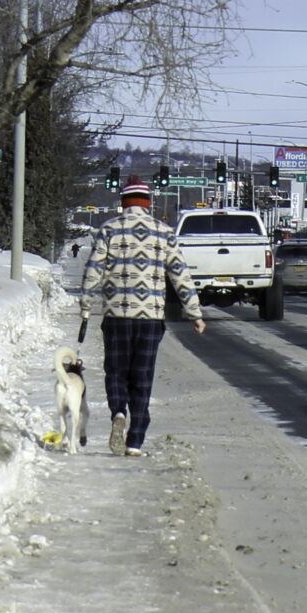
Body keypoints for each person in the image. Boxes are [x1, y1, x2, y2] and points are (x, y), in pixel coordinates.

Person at [77, 180, 204, 456]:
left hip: (116, 315)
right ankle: (135, 440)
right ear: (148, 204)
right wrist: (194, 312)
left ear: (124, 203)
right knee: (142, 375)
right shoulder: (164, 232)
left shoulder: (108, 230)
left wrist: (86, 304)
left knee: (116, 369)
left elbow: (94, 269)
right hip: (150, 316)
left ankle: (118, 412)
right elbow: (180, 274)